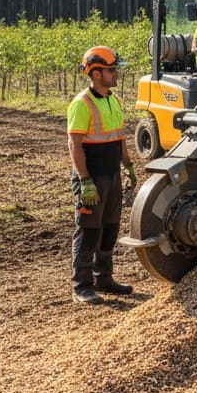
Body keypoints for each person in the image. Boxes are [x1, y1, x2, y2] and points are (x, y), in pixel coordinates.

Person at [68, 46, 137, 304]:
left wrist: (128, 166)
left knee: (110, 228)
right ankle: (82, 285)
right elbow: (74, 145)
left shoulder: (113, 100)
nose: (116, 73)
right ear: (96, 74)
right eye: (111, 70)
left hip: (112, 174)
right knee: (89, 230)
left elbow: (119, 137)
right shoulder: (81, 104)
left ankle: (104, 278)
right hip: (92, 177)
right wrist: (84, 181)